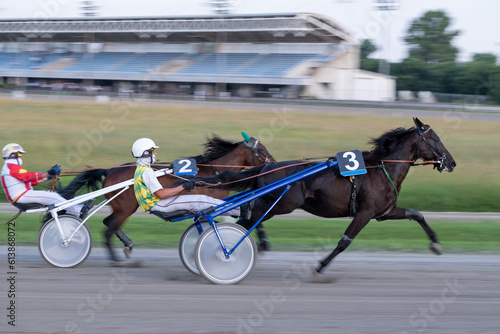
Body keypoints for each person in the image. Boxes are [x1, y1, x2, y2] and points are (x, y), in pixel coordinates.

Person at [132, 138, 246, 218]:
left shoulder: (140, 169)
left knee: (201, 199)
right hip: (160, 205)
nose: (155, 154)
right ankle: (240, 211)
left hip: (158, 204)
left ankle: (234, 210)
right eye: (153, 151)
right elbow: (161, 194)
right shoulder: (146, 171)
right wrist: (183, 186)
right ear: (145, 152)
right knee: (200, 200)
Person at [1, 143, 93, 218]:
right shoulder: (11, 167)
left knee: (53, 196)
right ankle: (78, 211)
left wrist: (48, 177)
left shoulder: (10, 167)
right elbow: (30, 176)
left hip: (23, 195)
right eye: (20, 154)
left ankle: (78, 209)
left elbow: (31, 181)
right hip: (21, 196)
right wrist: (49, 172)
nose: (22, 157)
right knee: (53, 197)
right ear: (13, 155)